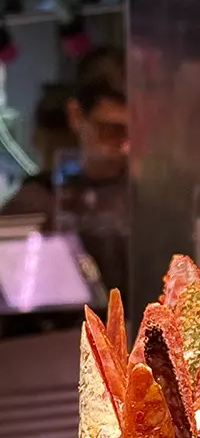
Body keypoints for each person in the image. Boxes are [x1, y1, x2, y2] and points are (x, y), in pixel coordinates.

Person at [2, 54, 130, 295]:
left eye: (136, 131)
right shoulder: (34, 204)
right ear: (76, 116)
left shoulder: (158, 203)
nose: (126, 146)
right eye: (110, 130)